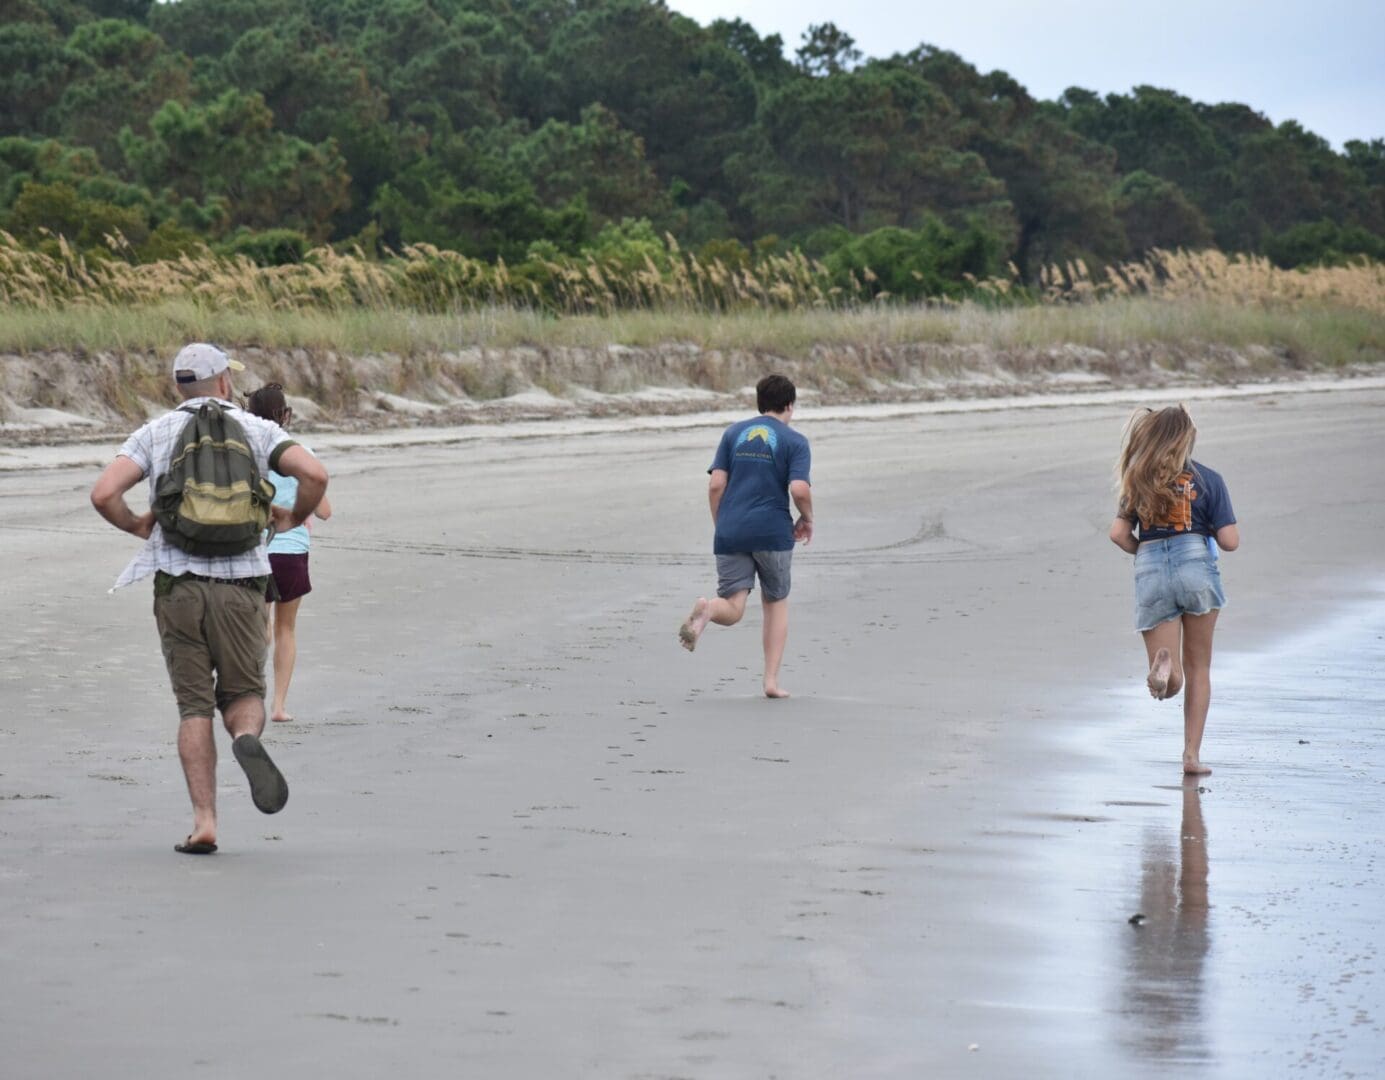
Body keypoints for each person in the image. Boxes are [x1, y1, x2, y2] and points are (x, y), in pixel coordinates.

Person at [91, 343, 328, 854]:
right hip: (243, 585)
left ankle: (204, 822)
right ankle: (245, 737)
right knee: (244, 695)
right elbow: (315, 476)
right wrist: (287, 517)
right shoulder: (259, 429)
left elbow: (103, 493)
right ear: (224, 383)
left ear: (180, 387)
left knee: (193, 706)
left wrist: (137, 525)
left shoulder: (155, 432)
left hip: (177, 586)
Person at [1108, 404, 1239, 775]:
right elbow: (1230, 541)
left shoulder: (1138, 480)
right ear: (1187, 440)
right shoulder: (1209, 479)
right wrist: (1208, 528)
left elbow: (1118, 534)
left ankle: (1166, 668)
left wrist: (1145, 551)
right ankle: (1191, 757)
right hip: (1195, 564)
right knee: (1200, 668)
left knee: (1172, 681)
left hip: (1151, 567)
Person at [679, 373, 813, 698]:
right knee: (775, 601)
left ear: (759, 402)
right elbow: (798, 488)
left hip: (731, 529)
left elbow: (715, 485)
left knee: (733, 606)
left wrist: (721, 523)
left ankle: (708, 609)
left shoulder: (733, 433)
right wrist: (807, 518)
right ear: (790, 405)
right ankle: (770, 682)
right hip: (772, 532)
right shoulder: (795, 441)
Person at [247, 383, 332, 723]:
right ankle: (279, 706)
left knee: (258, 625)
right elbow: (324, 511)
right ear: (285, 415)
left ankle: (251, 693)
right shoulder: (302, 453)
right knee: (287, 629)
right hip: (292, 551)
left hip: (257, 551)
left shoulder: (248, 455)